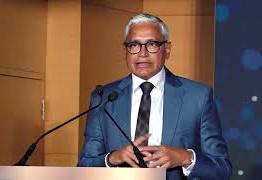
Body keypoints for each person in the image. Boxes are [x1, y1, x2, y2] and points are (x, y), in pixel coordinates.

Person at [77, 13, 231, 179]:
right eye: (134, 45)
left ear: (167, 49)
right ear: (125, 51)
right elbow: (84, 167)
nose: (142, 53)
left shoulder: (198, 97)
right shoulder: (103, 98)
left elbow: (222, 170)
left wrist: (186, 158)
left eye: (152, 44)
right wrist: (113, 158)